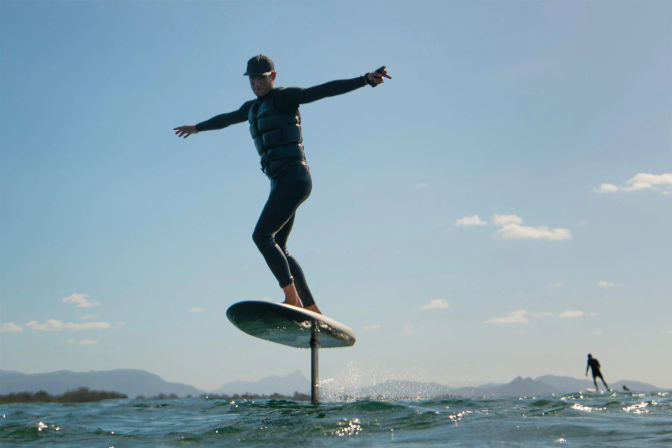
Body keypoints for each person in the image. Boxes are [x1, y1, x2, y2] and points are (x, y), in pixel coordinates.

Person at [174, 55, 391, 315]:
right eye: (252, 79)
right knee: (279, 244)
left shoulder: (285, 98)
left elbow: (323, 90)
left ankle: (291, 298)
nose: (256, 84)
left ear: (273, 77)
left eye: (261, 78)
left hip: (295, 177)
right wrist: (197, 128)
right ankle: (312, 309)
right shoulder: (250, 109)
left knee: (261, 236)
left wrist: (364, 80)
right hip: (279, 183)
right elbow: (226, 119)